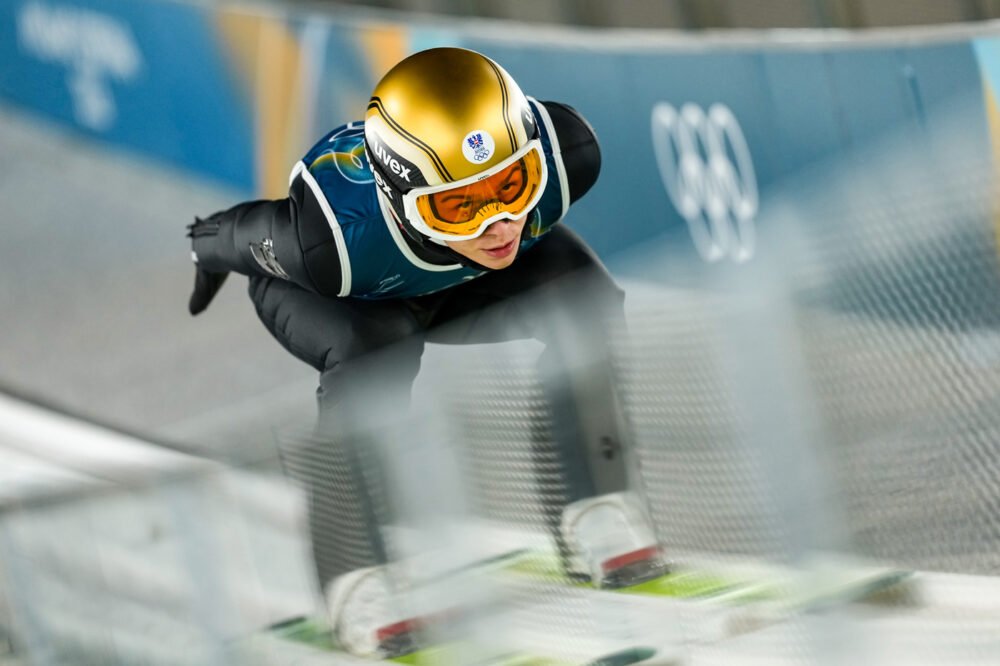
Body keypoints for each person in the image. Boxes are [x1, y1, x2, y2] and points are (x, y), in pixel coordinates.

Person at [187, 47, 664, 657]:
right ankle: (354, 577)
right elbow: (237, 235)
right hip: (354, 297)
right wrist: (202, 245)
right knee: (373, 355)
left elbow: (509, 220)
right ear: (401, 198)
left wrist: (475, 209)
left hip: (462, 279)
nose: (499, 223)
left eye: (510, 184)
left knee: (586, 299)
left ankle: (595, 501)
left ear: (533, 159)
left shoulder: (566, 154)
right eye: (461, 204)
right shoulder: (330, 240)